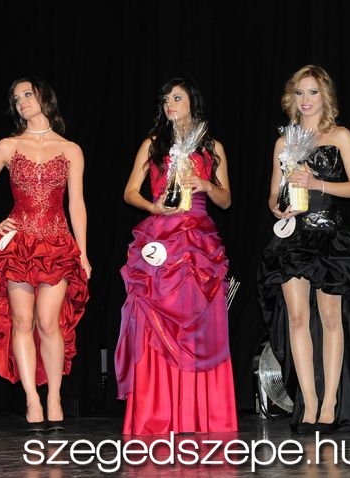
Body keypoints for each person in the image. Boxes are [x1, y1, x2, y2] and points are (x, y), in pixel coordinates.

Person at [257, 65, 350, 434]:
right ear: (291, 98)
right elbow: (272, 196)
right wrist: (279, 207)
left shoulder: (339, 136)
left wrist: (317, 184)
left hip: (330, 237)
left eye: (312, 92)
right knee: (297, 319)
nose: (305, 99)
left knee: (330, 318)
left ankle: (330, 405)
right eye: (299, 92)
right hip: (293, 239)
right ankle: (308, 403)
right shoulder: (284, 143)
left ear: (325, 96)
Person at [114, 77, 238, 435]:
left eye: (177, 98)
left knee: (197, 326)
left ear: (192, 103)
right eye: (166, 99)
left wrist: (207, 185)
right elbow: (129, 192)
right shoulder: (153, 144)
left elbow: (226, 200)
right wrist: (154, 206)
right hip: (161, 238)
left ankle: (198, 413)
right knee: (157, 324)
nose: (170, 104)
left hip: (198, 243)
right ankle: (159, 412)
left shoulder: (212, 146)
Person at [0, 76, 91, 434]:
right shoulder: (8, 146)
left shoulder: (70, 150)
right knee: (21, 322)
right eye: (16, 98)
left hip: (56, 243)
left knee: (48, 322)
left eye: (27, 94)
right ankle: (31, 399)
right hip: (19, 244)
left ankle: (54, 396)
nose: (21, 101)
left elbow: (77, 204)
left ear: (44, 97)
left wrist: (83, 253)